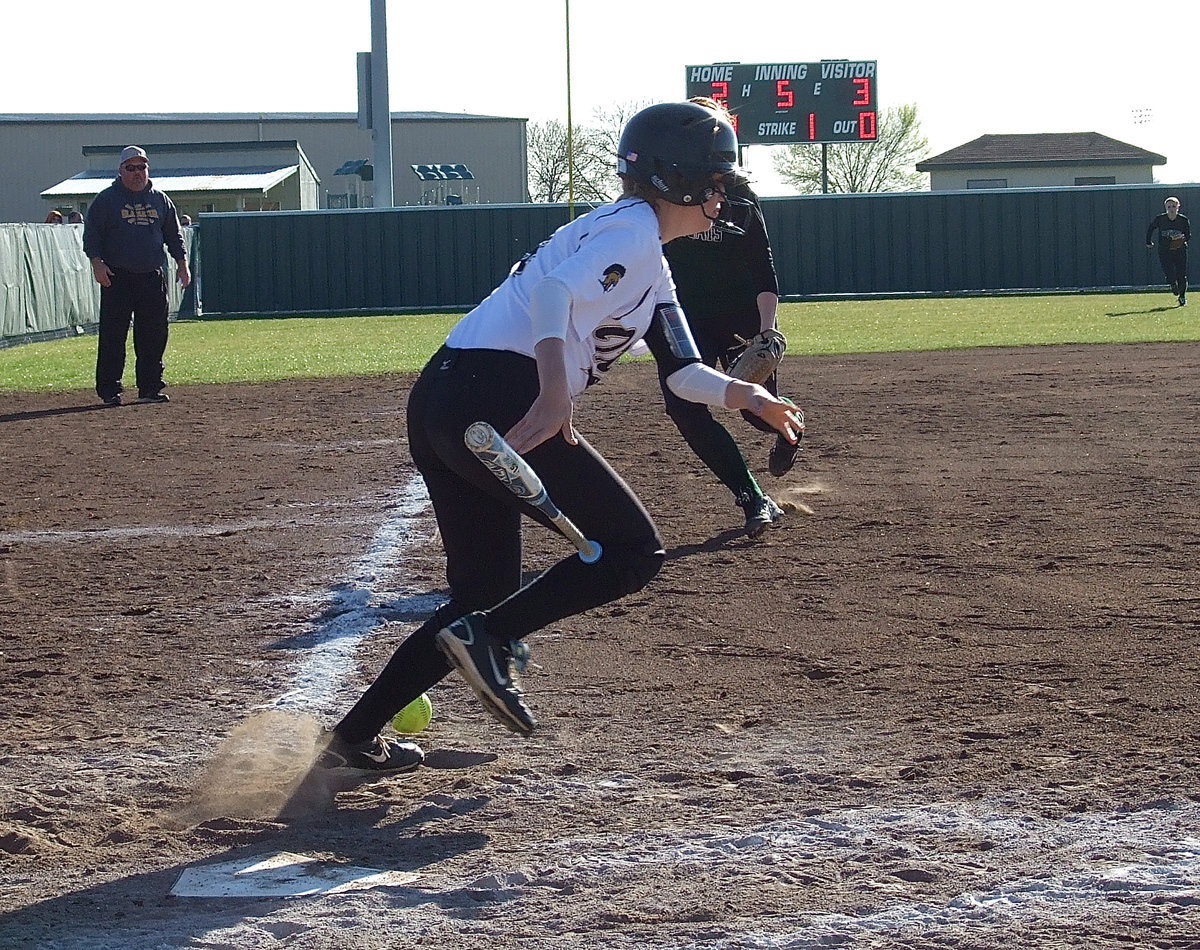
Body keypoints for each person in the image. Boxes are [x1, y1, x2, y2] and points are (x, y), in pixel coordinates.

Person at [317, 102, 804, 772]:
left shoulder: (646, 257)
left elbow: (684, 370)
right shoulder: (634, 230)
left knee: (482, 588)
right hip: (500, 392)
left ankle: (350, 739)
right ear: (678, 178)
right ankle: (488, 638)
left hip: (446, 392)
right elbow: (552, 295)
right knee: (633, 551)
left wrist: (746, 394)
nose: (724, 195)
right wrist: (554, 394)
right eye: (716, 180)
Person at [659, 96, 800, 538]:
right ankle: (752, 497)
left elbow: (764, 266)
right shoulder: (664, 200)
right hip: (686, 318)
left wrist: (767, 329)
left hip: (739, 315)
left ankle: (790, 425)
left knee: (755, 415)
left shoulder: (740, 198)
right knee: (684, 407)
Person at [83, 145, 190, 406]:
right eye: (130, 167)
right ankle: (110, 390)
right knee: (113, 335)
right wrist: (97, 263)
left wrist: (182, 263)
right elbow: (92, 235)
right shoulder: (107, 199)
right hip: (117, 276)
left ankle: (150, 388)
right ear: (120, 171)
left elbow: (173, 235)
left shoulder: (160, 199)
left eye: (141, 166)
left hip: (151, 276)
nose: (137, 172)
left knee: (154, 334)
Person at [1145, 196, 1190, 306]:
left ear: (1178, 207)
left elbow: (1188, 235)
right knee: (1169, 272)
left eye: (1174, 206)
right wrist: (1148, 241)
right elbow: (1151, 228)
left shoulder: (1183, 220)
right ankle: (1172, 284)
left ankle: (1182, 297)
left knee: (1181, 274)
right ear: (1165, 207)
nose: (1171, 209)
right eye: (1169, 206)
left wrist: (1179, 239)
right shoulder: (1160, 219)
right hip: (1165, 250)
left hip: (1180, 250)